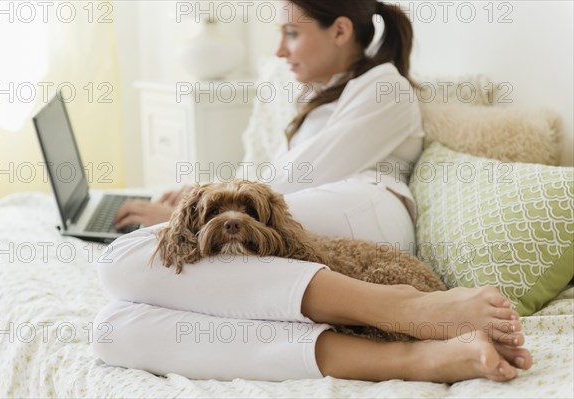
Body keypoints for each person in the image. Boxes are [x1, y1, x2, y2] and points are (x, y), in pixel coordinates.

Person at [93, 0, 533, 383]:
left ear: (340, 30)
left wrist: (188, 220)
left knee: (120, 262)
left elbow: (293, 180)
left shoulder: (384, 87)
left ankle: (406, 307)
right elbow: (269, 178)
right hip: (330, 206)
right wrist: (193, 197)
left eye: (291, 33)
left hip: (365, 208)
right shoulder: (322, 98)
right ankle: (414, 357)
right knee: (112, 329)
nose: (280, 49)